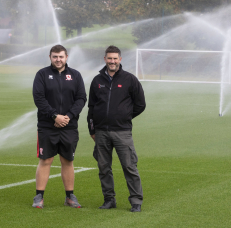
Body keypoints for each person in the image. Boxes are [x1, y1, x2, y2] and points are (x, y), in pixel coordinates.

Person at [87, 45, 146, 212]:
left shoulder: (130, 79)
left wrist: (124, 116)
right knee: (104, 168)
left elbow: (140, 104)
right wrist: (92, 130)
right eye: (109, 58)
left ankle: (136, 202)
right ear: (104, 59)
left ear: (120, 59)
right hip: (101, 132)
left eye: (115, 58)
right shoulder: (97, 81)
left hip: (122, 132)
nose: (112, 61)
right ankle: (109, 200)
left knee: (129, 167)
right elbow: (91, 107)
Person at [32, 44, 87, 209]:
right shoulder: (42, 74)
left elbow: (81, 98)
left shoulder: (75, 75)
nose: (58, 59)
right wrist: (54, 116)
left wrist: (68, 117)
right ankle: (39, 197)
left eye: (61, 56)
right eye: (55, 56)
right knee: (46, 160)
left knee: (67, 160)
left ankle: (70, 196)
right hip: (47, 126)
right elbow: (39, 98)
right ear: (50, 57)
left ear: (66, 57)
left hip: (69, 126)